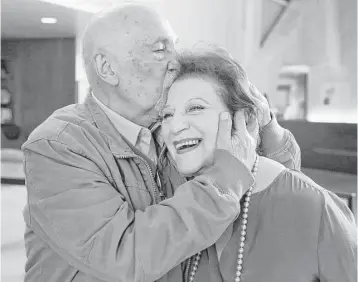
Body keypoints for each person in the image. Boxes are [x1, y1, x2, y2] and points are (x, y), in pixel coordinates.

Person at [21, 4, 300, 282]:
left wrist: (265, 125)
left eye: (174, 47)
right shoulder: (58, 145)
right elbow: (125, 257)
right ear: (107, 68)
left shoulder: (169, 129)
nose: (176, 61)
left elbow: (276, 189)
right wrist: (225, 180)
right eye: (160, 50)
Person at [160, 48, 357, 282]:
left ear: (246, 118)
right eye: (167, 115)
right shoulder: (178, 207)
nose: (175, 126)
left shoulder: (312, 205)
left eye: (196, 108)